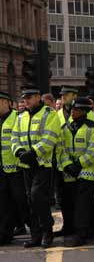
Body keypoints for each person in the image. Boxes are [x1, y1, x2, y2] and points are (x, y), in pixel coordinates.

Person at [11, 85, 61, 248]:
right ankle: (36, 235)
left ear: (37, 97)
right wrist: (18, 152)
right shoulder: (20, 117)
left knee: (38, 196)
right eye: (24, 98)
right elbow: (14, 137)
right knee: (30, 200)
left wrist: (33, 152)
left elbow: (50, 137)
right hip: (26, 164)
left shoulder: (49, 114)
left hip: (43, 163)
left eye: (28, 97)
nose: (25, 100)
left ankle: (47, 231)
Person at [60, 97, 94, 247]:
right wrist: (67, 164)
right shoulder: (66, 128)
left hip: (88, 171)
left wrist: (78, 164)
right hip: (71, 171)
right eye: (72, 109)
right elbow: (62, 149)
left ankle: (81, 233)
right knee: (78, 202)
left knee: (82, 203)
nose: (72, 112)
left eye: (76, 109)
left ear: (85, 111)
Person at [0, 92, 29, 245]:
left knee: (22, 201)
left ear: (7, 102)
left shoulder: (17, 118)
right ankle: (5, 234)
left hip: (17, 169)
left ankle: (36, 227)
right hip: (2, 170)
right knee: (3, 203)